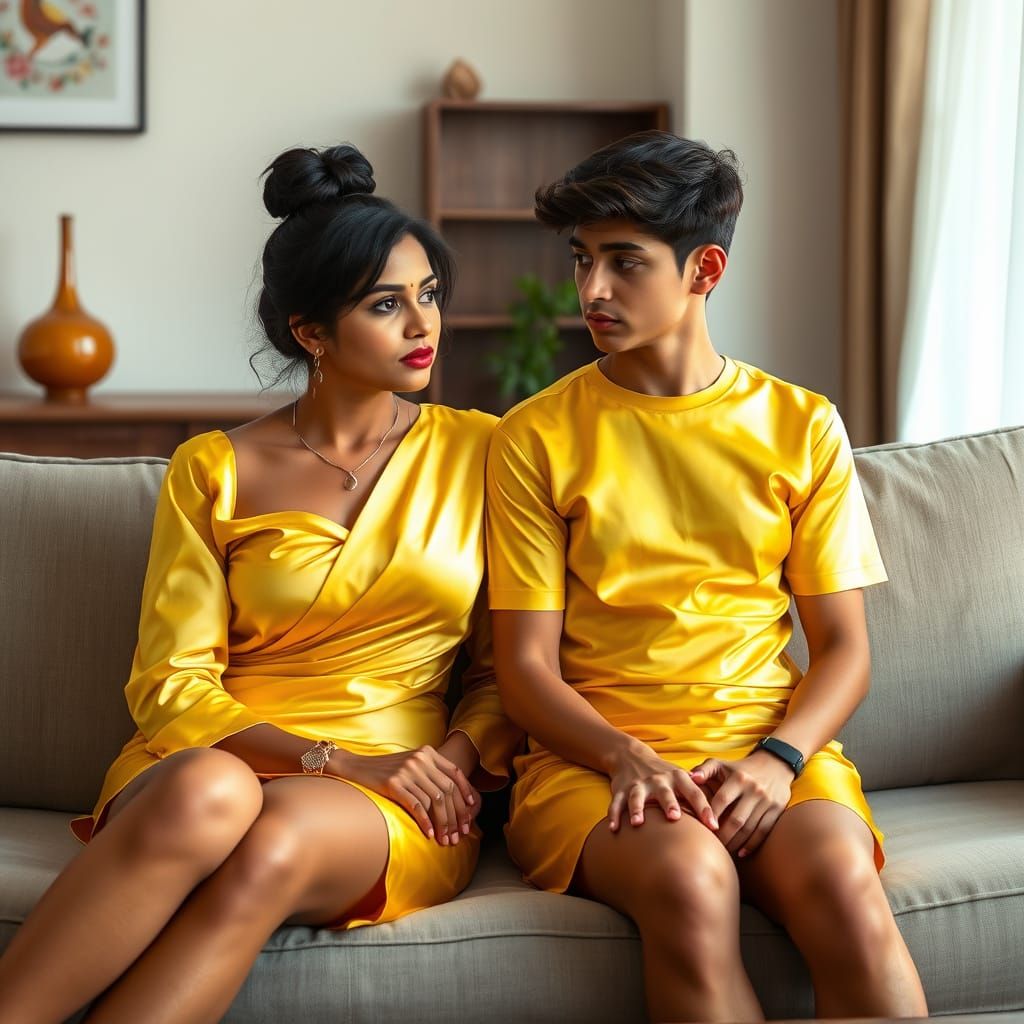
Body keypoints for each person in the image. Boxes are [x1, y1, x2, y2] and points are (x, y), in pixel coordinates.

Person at [0, 144, 521, 1024]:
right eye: (385, 304)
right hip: (220, 755)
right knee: (216, 793)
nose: (422, 324)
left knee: (274, 843)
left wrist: (448, 766)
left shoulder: (485, 452)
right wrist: (333, 758)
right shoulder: (214, 466)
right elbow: (169, 684)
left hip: (393, 790)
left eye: (429, 294)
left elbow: (505, 669)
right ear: (309, 333)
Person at [485, 131, 928, 1023]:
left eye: (624, 262)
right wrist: (627, 759)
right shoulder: (533, 436)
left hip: (763, 749)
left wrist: (777, 761)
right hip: (593, 763)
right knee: (691, 878)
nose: (592, 291)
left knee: (844, 882)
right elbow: (525, 672)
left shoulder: (803, 425)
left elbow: (845, 652)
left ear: (705, 268)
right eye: (582, 261)